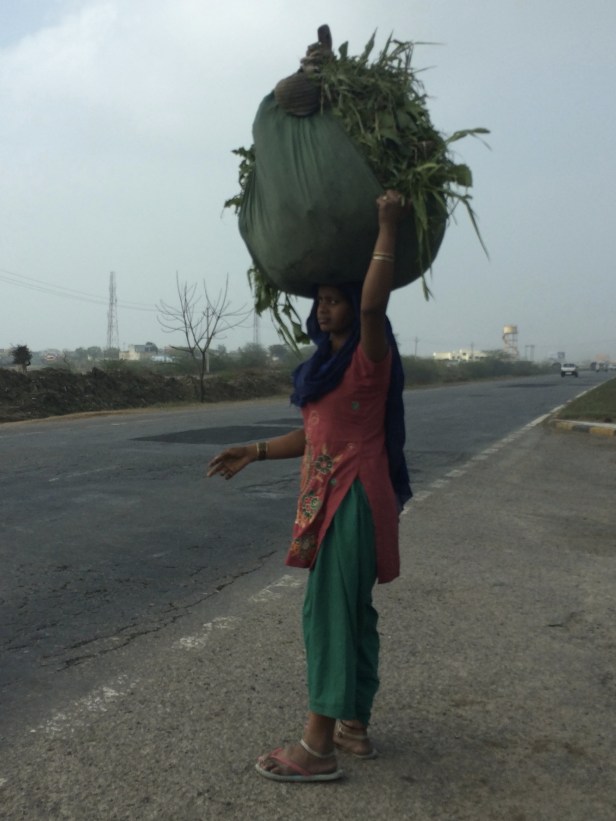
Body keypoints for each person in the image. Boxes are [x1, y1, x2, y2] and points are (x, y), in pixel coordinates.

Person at [207, 190, 411, 782]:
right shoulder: (321, 367)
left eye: (334, 301)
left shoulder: (370, 356)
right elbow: (315, 436)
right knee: (353, 610)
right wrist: (256, 449)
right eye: (319, 301)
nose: (324, 310)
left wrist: (386, 227)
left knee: (327, 612)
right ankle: (354, 726)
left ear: (353, 306)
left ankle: (317, 747)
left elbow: (375, 310)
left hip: (355, 499)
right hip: (333, 497)